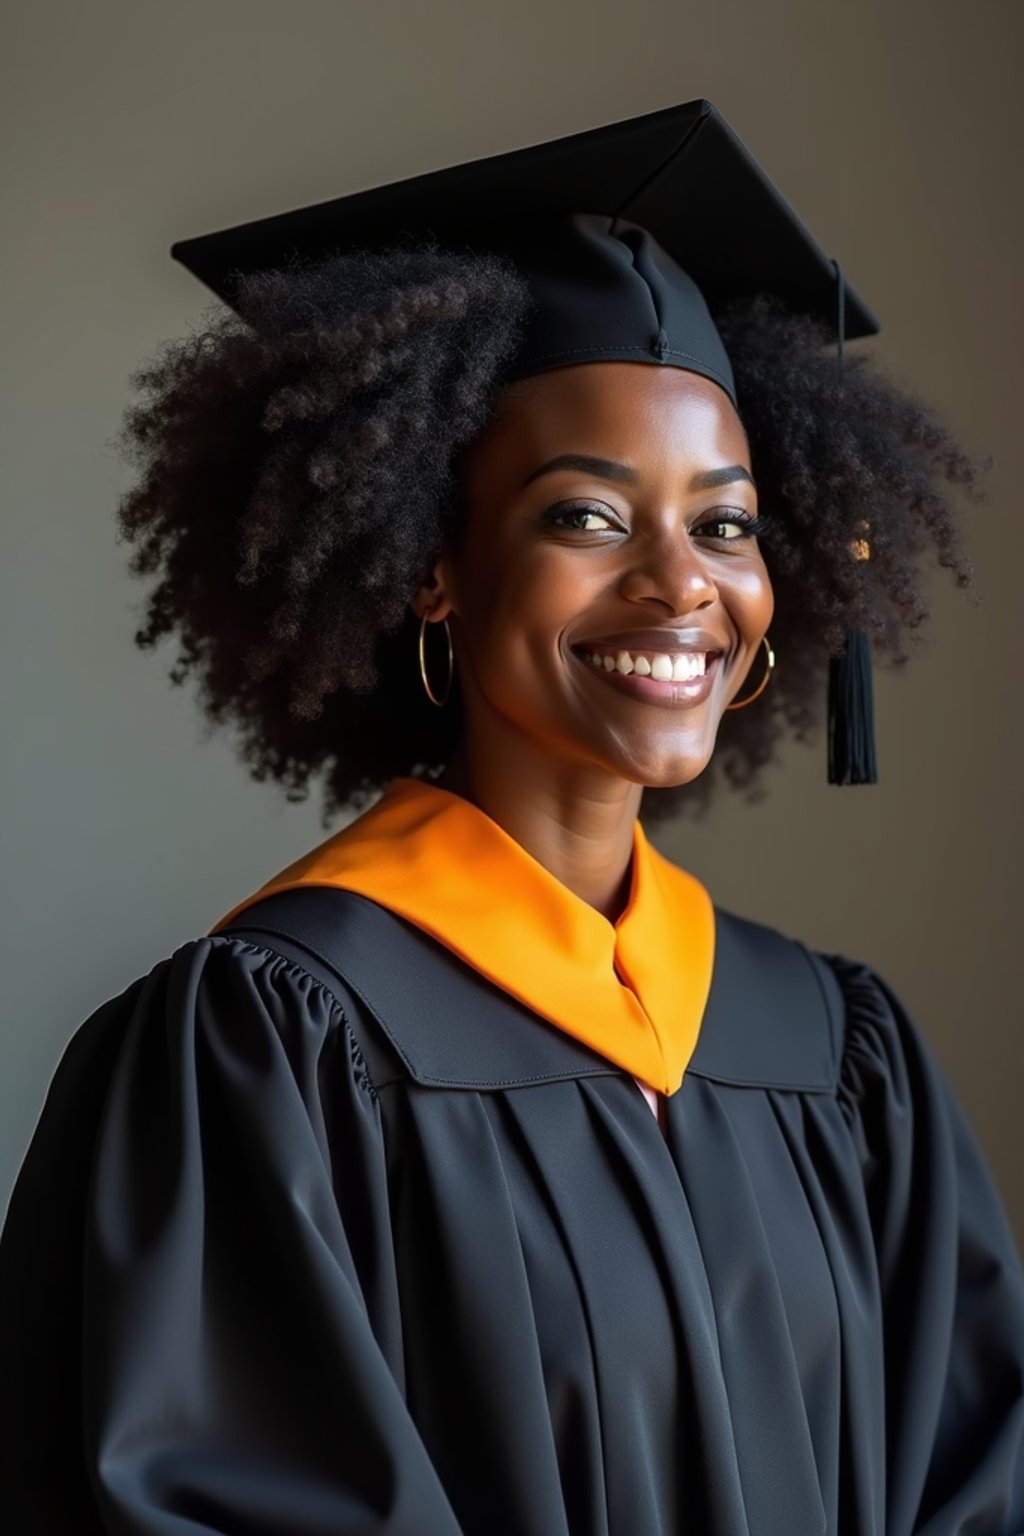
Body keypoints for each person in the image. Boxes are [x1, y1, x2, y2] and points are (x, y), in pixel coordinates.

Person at [2, 99, 1023, 1535]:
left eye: (723, 522)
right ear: (434, 567)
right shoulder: (273, 1052)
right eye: (587, 516)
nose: (681, 585)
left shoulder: (842, 1054)